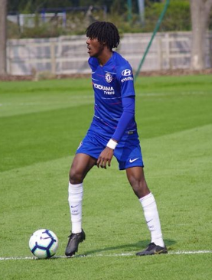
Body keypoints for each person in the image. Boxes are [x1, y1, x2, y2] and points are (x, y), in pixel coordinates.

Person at [65, 21, 167, 257]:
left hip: (124, 135)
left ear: (105, 42)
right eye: (87, 37)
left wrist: (111, 145)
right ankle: (76, 232)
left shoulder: (122, 69)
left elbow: (129, 111)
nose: (87, 41)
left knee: (138, 184)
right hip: (97, 129)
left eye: (92, 37)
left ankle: (158, 243)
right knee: (75, 172)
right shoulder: (93, 62)